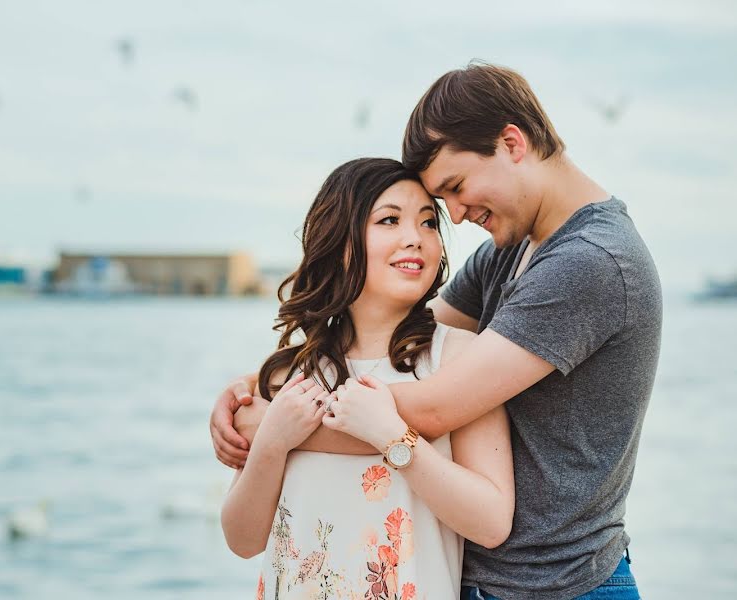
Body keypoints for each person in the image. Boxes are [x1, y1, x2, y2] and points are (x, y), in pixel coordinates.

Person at [212, 62, 662, 600]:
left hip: (560, 584)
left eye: (453, 189)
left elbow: (432, 408)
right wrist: (252, 383)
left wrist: (269, 422)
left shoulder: (593, 261)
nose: (455, 215)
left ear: (512, 143)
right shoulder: (510, 253)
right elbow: (399, 334)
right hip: (483, 580)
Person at [221, 157, 515, 598]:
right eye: (389, 220)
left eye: (429, 222)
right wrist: (272, 442)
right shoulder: (291, 373)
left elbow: (491, 522)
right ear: (339, 241)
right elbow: (242, 540)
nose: (415, 238)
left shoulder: (458, 359)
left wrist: (394, 438)